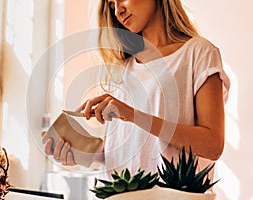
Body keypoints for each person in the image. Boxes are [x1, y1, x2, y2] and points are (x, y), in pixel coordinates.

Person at [42, 0, 230, 186]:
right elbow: (123, 150)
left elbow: (212, 146)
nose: (118, 11)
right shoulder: (122, 67)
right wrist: (81, 152)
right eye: (111, 4)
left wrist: (131, 114)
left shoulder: (198, 53)